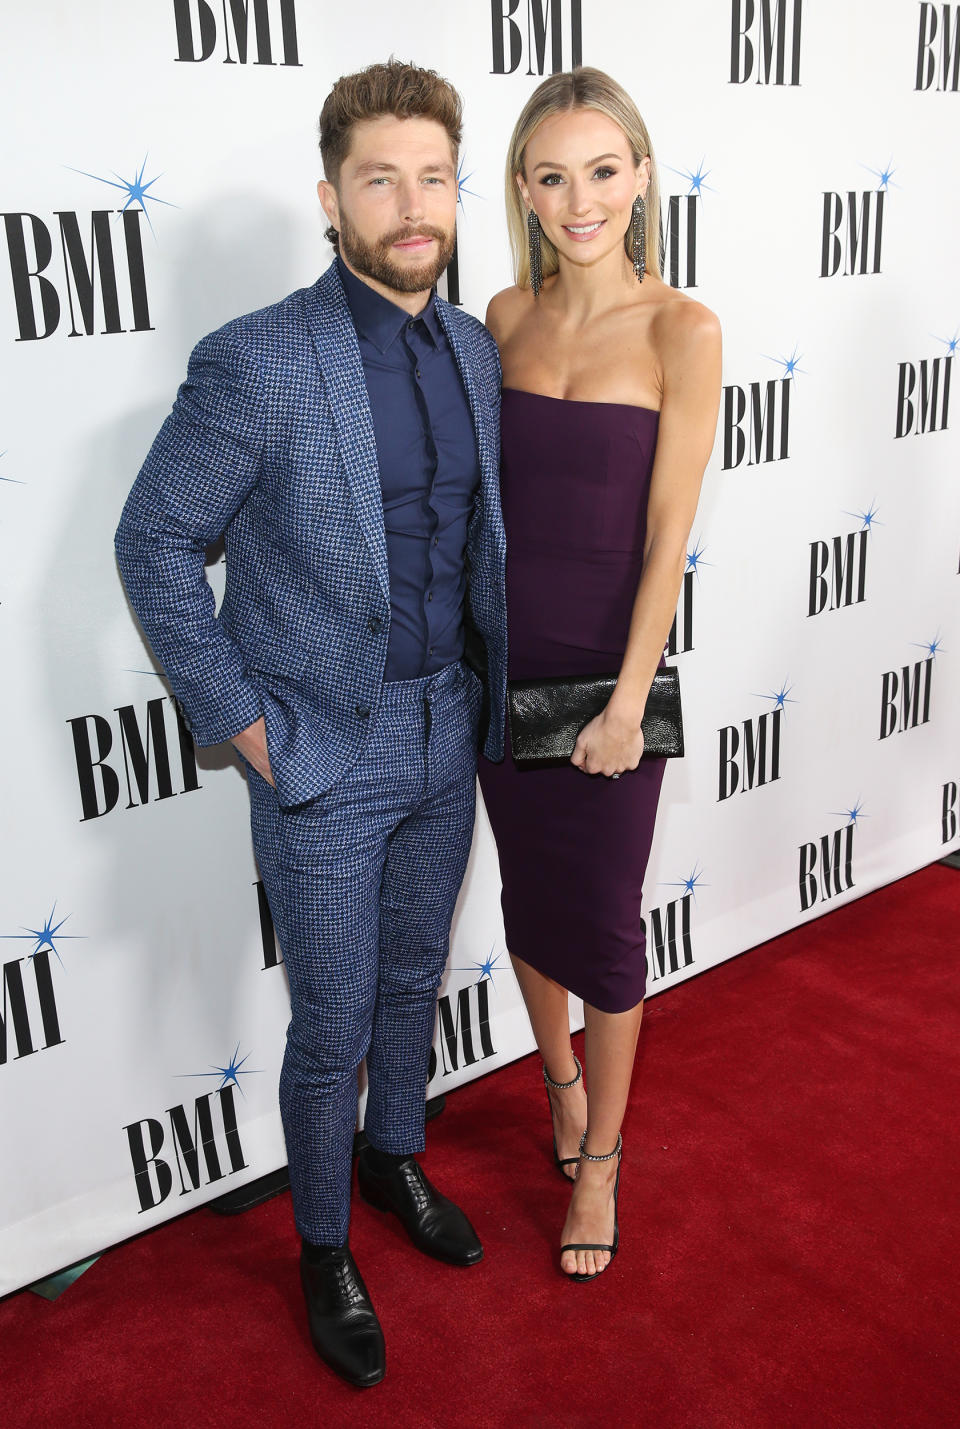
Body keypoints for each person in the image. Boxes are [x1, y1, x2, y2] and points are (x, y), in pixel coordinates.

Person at [115, 60, 506, 1387]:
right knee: (330, 1014)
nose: (411, 204)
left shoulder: (471, 348)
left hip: (450, 726)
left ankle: (397, 1155)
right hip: (322, 751)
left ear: (459, 189)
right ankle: (323, 1240)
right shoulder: (259, 359)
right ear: (331, 196)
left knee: (415, 979)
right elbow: (158, 540)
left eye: (432, 176)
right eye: (380, 178)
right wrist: (242, 725)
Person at [477, 67, 721, 1283]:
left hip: (610, 672)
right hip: (503, 662)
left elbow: (669, 531)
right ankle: (559, 1089)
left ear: (639, 174)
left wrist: (630, 701)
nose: (582, 200)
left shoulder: (685, 328)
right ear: (522, 188)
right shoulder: (502, 316)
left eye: (603, 170)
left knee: (609, 932)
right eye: (553, 175)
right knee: (529, 905)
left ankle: (606, 1159)